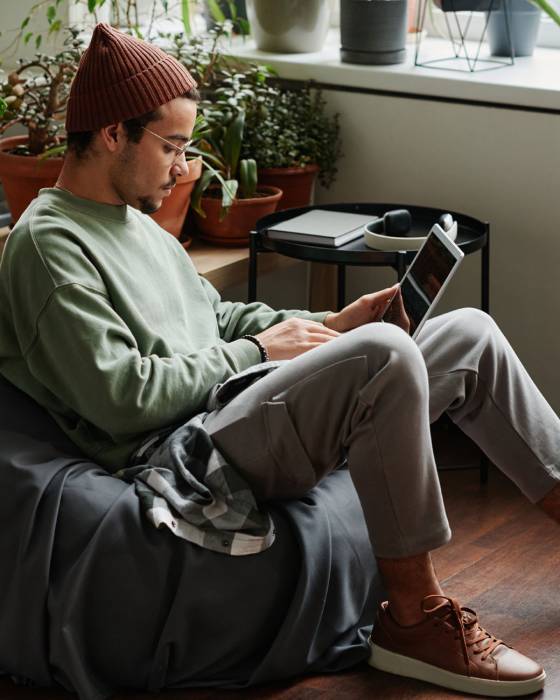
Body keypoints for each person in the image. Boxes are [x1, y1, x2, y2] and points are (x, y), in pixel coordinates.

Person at [0, 22, 559, 698]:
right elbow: (121, 398)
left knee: (467, 333)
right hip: (185, 448)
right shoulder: (48, 247)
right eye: (172, 146)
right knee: (383, 356)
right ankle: (415, 619)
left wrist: (328, 324)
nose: (184, 167)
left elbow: (217, 319)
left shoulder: (135, 223)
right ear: (113, 133)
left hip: (237, 396)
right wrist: (263, 350)